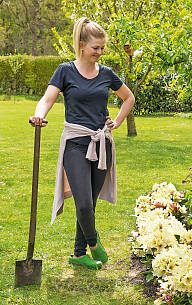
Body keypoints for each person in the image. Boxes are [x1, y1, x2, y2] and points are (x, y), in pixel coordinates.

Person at [29, 17, 135, 269]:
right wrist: (39, 115)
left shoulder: (107, 73)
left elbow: (128, 97)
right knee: (83, 201)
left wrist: (117, 122)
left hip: (102, 144)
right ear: (81, 44)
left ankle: (78, 254)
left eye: (102, 48)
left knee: (91, 202)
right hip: (76, 143)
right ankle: (93, 242)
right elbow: (47, 98)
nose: (100, 52)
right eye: (95, 48)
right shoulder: (65, 71)